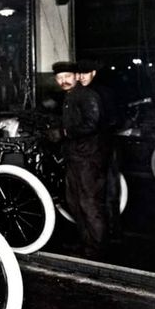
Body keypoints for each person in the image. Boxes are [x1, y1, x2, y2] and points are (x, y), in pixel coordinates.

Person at [52, 61, 108, 258]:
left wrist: (64, 132)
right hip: (75, 158)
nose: (63, 81)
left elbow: (92, 123)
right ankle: (87, 244)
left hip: (88, 159)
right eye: (59, 78)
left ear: (76, 76)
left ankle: (98, 250)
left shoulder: (87, 95)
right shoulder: (69, 97)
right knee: (75, 202)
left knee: (89, 204)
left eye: (67, 76)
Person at [76, 59, 122, 240]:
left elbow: (108, 121)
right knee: (107, 191)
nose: (81, 77)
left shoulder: (96, 93)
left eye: (85, 73)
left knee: (101, 193)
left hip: (103, 147)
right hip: (106, 146)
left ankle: (105, 237)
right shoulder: (98, 91)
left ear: (93, 73)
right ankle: (112, 232)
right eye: (78, 74)